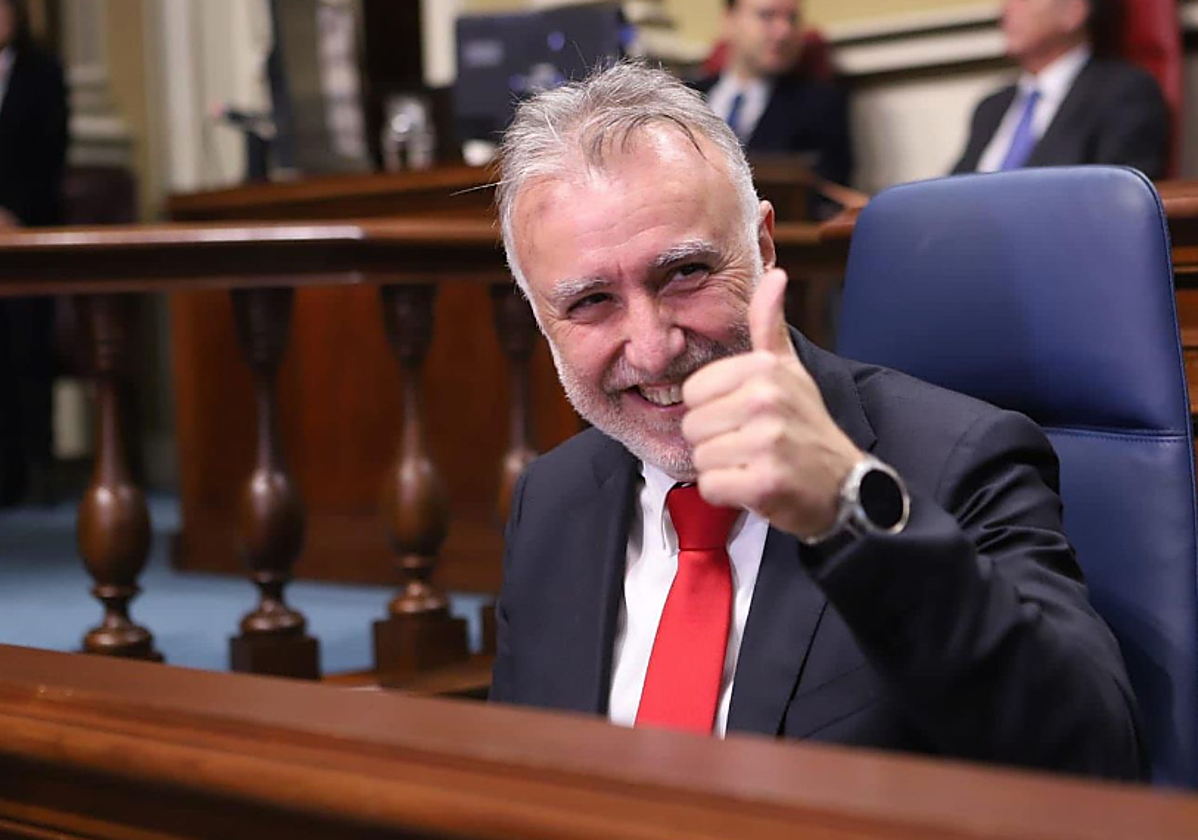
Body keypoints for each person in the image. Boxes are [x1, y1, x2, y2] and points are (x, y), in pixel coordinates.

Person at [489, 61, 1144, 781]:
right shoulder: (549, 502)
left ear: (763, 246)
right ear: (540, 317)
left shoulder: (955, 460)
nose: (652, 348)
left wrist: (847, 509)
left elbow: (1095, 759)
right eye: (591, 302)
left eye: (684, 273)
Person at [954, 0, 1167, 177]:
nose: (1007, 8)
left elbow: (1116, 198)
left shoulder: (1123, 93)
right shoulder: (991, 107)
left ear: (1074, 11)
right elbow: (949, 193)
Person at [0, 0, 68, 505]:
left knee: (28, 346)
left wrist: (10, 215)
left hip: (30, 232)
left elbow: (51, 154)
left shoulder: (43, 73)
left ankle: (38, 465)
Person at [692, 0, 851, 193]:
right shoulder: (684, 93)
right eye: (766, 16)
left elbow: (826, 192)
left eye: (792, 19)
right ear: (729, 20)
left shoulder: (820, 105)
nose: (784, 32)